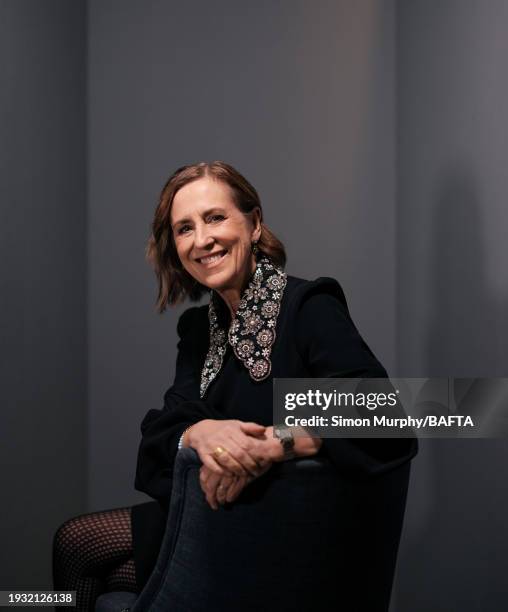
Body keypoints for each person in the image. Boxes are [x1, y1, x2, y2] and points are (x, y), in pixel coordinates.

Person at [53, 161, 417, 611]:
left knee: (80, 545)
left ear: (255, 222)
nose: (201, 240)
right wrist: (200, 433)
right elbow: (163, 433)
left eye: (215, 218)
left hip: (282, 530)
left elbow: (385, 412)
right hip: (218, 516)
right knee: (78, 551)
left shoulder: (308, 305)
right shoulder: (198, 329)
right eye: (184, 228)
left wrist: (273, 443)